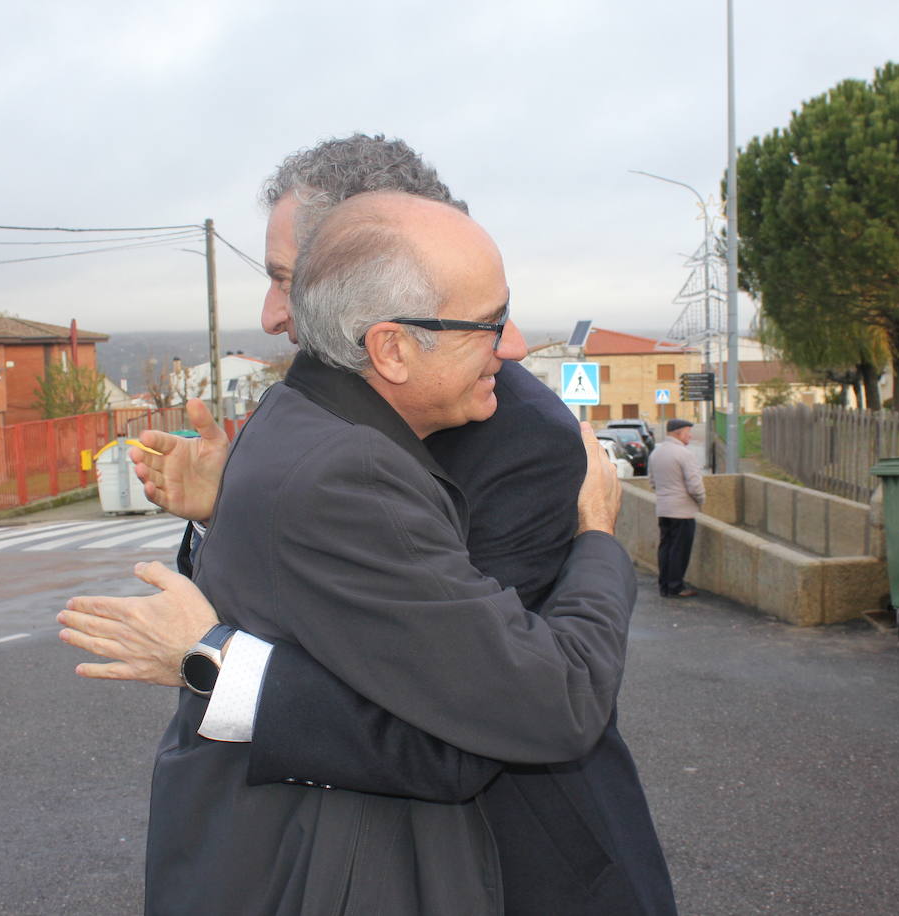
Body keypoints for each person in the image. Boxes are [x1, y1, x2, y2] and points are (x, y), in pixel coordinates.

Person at [66, 136, 675, 914]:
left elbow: (465, 726)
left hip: (519, 867)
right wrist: (231, 520)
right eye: (490, 321)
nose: (275, 311)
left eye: (285, 278)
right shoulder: (330, 424)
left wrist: (214, 660)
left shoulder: (507, 432)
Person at [647, 417, 705, 599]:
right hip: (682, 510)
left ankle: (664, 584)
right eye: (688, 432)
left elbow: (652, 481)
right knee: (680, 549)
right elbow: (694, 485)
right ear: (679, 433)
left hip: (664, 508)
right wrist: (701, 499)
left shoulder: (656, 453)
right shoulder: (684, 454)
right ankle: (676, 586)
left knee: (666, 547)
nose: (690, 436)